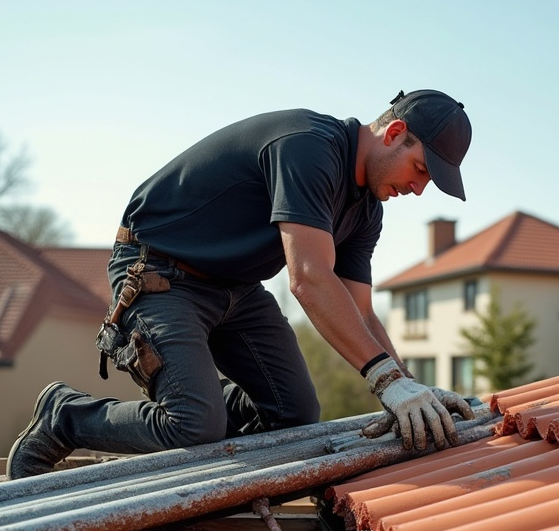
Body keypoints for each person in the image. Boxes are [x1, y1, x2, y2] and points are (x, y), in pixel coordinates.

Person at [7, 89, 475, 480]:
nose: (419, 189)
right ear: (394, 133)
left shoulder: (366, 211)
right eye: (420, 170)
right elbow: (309, 280)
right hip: (161, 273)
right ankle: (64, 415)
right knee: (193, 426)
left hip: (237, 289)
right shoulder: (310, 147)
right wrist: (385, 381)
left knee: (293, 416)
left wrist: (412, 389)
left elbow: (361, 311)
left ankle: (204, 433)